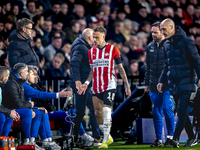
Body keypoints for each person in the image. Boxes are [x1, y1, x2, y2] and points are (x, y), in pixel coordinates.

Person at [79, 26, 131, 149]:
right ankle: (109, 137)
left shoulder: (113, 49)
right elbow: (92, 71)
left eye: (96, 37)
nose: (94, 40)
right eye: (93, 37)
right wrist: (86, 83)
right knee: (97, 112)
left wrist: (126, 84)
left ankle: (105, 140)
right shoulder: (91, 52)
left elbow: (120, 68)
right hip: (96, 85)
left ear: (103, 36)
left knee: (107, 111)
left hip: (109, 84)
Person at [24, 65, 94, 147]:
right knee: (68, 114)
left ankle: (72, 139)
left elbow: (43, 98)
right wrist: (58, 95)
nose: (37, 76)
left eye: (36, 74)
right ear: (26, 75)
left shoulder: (35, 85)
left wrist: (50, 106)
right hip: (42, 111)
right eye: (34, 74)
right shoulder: (28, 87)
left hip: (47, 110)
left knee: (70, 114)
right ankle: (82, 137)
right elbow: (39, 96)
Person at [157, 18, 200, 148]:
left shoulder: (187, 42)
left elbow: (196, 61)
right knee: (182, 112)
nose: (162, 32)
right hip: (173, 83)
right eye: (161, 29)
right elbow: (166, 65)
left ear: (172, 28)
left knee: (181, 109)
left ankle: (174, 139)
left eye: (164, 29)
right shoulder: (166, 44)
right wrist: (161, 81)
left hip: (187, 80)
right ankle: (192, 138)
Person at [145, 22, 174, 147]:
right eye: (152, 32)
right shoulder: (150, 46)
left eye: (155, 32)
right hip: (153, 84)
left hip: (168, 84)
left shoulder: (170, 45)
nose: (153, 34)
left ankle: (171, 137)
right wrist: (146, 84)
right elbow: (148, 67)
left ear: (162, 32)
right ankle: (158, 139)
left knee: (167, 109)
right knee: (156, 111)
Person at [70, 28, 101, 147]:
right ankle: (94, 138)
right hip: (81, 84)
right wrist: (77, 81)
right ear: (89, 38)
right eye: (94, 37)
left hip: (84, 84)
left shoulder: (83, 46)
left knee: (83, 111)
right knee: (84, 111)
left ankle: (76, 138)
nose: (95, 40)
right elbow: (74, 64)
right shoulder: (80, 47)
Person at [1, 63, 44, 150]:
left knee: (39, 112)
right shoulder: (11, 84)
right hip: (9, 109)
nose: (28, 74)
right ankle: (26, 141)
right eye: (27, 72)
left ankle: (35, 140)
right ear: (21, 74)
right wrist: (10, 112)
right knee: (26, 113)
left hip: (9, 109)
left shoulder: (19, 82)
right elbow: (17, 104)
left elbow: (20, 102)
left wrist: (32, 107)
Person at [0, 66, 20, 136]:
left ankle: (4, 141)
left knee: (9, 118)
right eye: (7, 77)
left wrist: (11, 112)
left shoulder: (1, 87)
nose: (8, 78)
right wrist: (9, 112)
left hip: (2, 110)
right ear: (3, 78)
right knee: (2, 117)